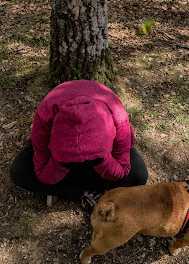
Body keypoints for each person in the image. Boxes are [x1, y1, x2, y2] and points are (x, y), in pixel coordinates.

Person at [10, 80, 148, 208]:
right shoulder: (44, 116)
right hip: (61, 158)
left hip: (101, 156)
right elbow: (41, 164)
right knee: (18, 172)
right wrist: (62, 164)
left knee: (139, 176)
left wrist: (102, 161)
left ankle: (73, 188)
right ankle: (91, 191)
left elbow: (123, 168)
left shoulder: (118, 116)